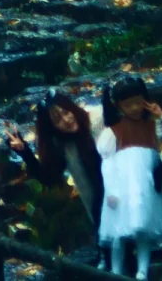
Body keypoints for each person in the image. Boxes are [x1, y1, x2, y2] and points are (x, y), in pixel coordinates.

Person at [98, 75, 162, 279]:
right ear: (119, 106)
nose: (135, 108)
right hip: (121, 188)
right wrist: (111, 191)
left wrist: (161, 114)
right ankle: (116, 271)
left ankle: (142, 270)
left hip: (146, 188)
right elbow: (107, 164)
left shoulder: (152, 125)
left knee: (144, 228)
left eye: (138, 102)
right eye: (129, 105)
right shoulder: (113, 131)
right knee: (119, 231)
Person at [7, 88, 105, 230]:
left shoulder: (98, 119)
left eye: (66, 112)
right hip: (100, 209)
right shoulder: (64, 146)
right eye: (58, 120)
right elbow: (49, 178)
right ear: (53, 127)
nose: (66, 120)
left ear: (72, 108)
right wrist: (25, 152)